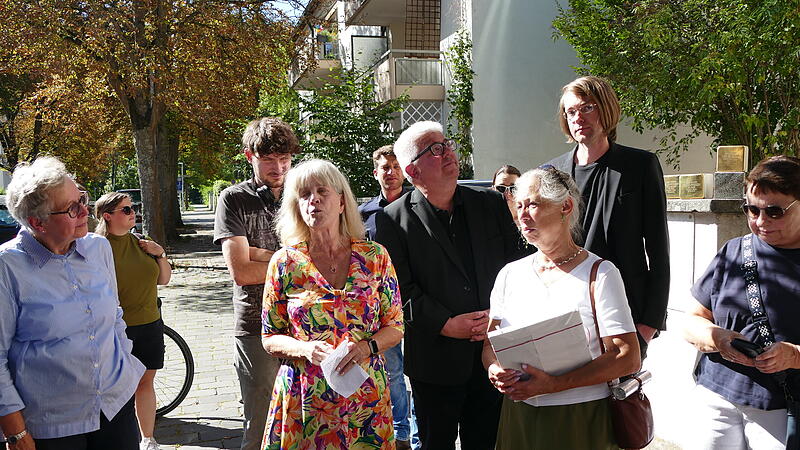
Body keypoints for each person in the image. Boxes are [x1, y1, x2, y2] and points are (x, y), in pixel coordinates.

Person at [373, 121, 529, 449]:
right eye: (435, 149)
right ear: (412, 171)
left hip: (493, 354)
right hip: (435, 361)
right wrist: (445, 324)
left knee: (487, 442)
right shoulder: (392, 219)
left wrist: (498, 315)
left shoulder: (491, 203)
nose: (448, 153)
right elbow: (397, 290)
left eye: (447, 144)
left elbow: (517, 267)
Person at [482, 166, 640, 448]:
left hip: (580, 417)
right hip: (519, 415)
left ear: (565, 206)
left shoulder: (600, 273)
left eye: (532, 204)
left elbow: (627, 356)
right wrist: (494, 369)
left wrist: (554, 385)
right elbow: (489, 345)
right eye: (518, 206)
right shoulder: (509, 274)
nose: (522, 215)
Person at [0, 156, 145, 449]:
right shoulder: (8, 267)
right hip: (53, 425)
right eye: (71, 208)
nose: (85, 210)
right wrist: (15, 432)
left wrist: (125, 366)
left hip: (115, 406)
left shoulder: (98, 248)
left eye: (82, 199)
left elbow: (115, 315)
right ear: (37, 222)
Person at [261, 159, 404, 449]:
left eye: (322, 191)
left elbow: (396, 326)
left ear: (341, 202)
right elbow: (269, 337)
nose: (313, 200)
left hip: (365, 396)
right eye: (304, 194)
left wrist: (365, 347)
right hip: (305, 399)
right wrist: (304, 348)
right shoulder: (285, 263)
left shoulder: (375, 257)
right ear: (296, 207)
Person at [546, 75, 670, 358]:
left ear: (607, 108)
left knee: (620, 399)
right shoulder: (553, 172)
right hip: (568, 313)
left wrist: (649, 324)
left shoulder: (639, 166)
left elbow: (659, 250)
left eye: (588, 107)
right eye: (571, 111)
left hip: (625, 313)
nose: (579, 117)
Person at [681, 155, 800, 449]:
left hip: (781, 407)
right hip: (716, 395)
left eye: (775, 211)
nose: (760, 222)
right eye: (751, 209)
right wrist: (718, 338)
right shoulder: (734, 250)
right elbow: (692, 320)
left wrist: (794, 355)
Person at [213, 117, 300, 450]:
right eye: (268, 160)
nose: (278, 168)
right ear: (249, 156)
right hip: (256, 324)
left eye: (284, 159)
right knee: (261, 425)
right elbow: (241, 272)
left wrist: (259, 253)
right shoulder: (234, 199)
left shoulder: (302, 193)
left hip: (308, 322)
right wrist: (289, 258)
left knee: (308, 418)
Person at [94, 192, 172, 450]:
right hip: (117, 328)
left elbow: (163, 280)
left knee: (145, 381)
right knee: (120, 387)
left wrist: (160, 254)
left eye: (133, 208)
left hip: (150, 322)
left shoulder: (141, 242)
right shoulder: (95, 246)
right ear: (108, 216)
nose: (133, 213)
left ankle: (148, 439)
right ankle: (123, 439)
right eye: (126, 210)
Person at [358, 145, 414, 449]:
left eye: (396, 166)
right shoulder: (364, 213)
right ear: (375, 172)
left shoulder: (418, 205)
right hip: (380, 308)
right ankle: (400, 431)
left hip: (415, 301)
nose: (390, 172)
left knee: (418, 372)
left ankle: (417, 434)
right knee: (392, 372)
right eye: (384, 167)